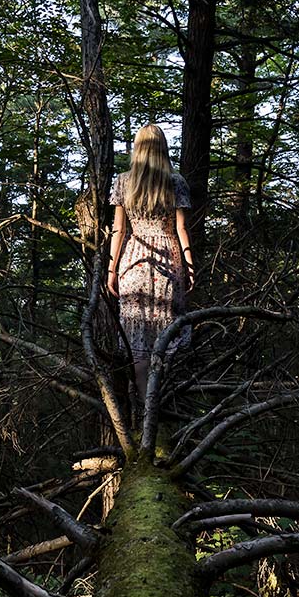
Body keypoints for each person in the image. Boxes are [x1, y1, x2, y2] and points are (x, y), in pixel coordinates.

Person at [106, 124, 195, 410]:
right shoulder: (175, 181)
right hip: (168, 261)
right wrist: (190, 265)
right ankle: (162, 407)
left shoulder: (123, 182)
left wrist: (111, 269)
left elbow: (118, 231)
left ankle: (146, 410)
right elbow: (181, 228)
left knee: (137, 340)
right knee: (165, 335)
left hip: (133, 261)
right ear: (162, 148)